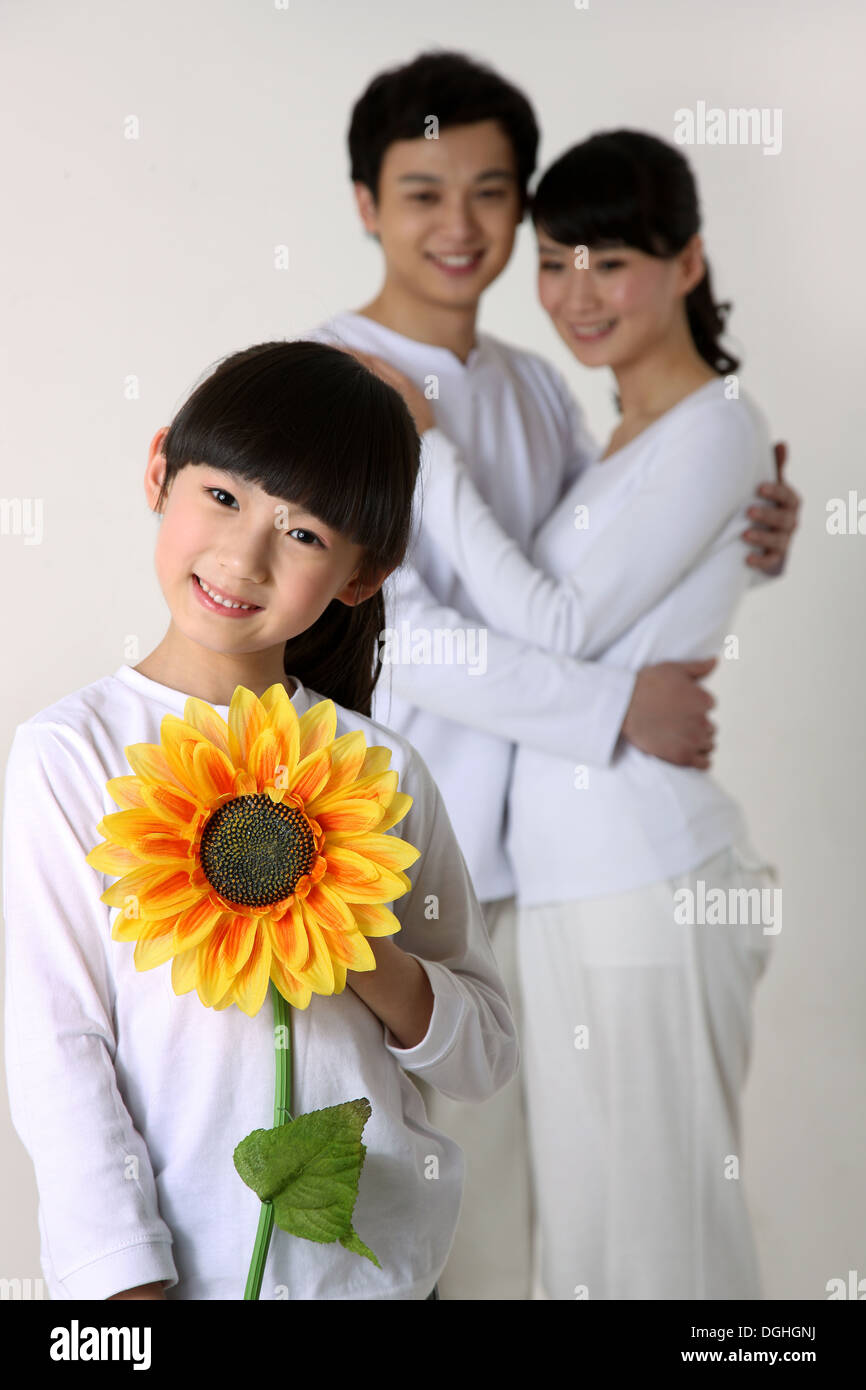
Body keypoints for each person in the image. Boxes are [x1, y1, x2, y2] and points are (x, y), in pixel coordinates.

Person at [302, 51, 800, 1298]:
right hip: (388, 873)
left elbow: (595, 577)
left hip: (539, 881)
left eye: (489, 194)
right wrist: (608, 705)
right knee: (404, 1230)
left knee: (551, 1232)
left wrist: (750, 520)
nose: (457, 226)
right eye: (421, 192)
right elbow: (381, 628)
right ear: (366, 202)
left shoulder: (535, 390)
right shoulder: (326, 377)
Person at [2, 340, 518, 1301]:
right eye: (224, 497)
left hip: (378, 1278)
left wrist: (357, 948)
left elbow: (484, 1051)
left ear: (363, 577)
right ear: (159, 469)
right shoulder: (68, 755)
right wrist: (129, 1295)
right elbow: (58, 1054)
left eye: (306, 534)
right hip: (177, 1285)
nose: (243, 557)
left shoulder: (380, 767)